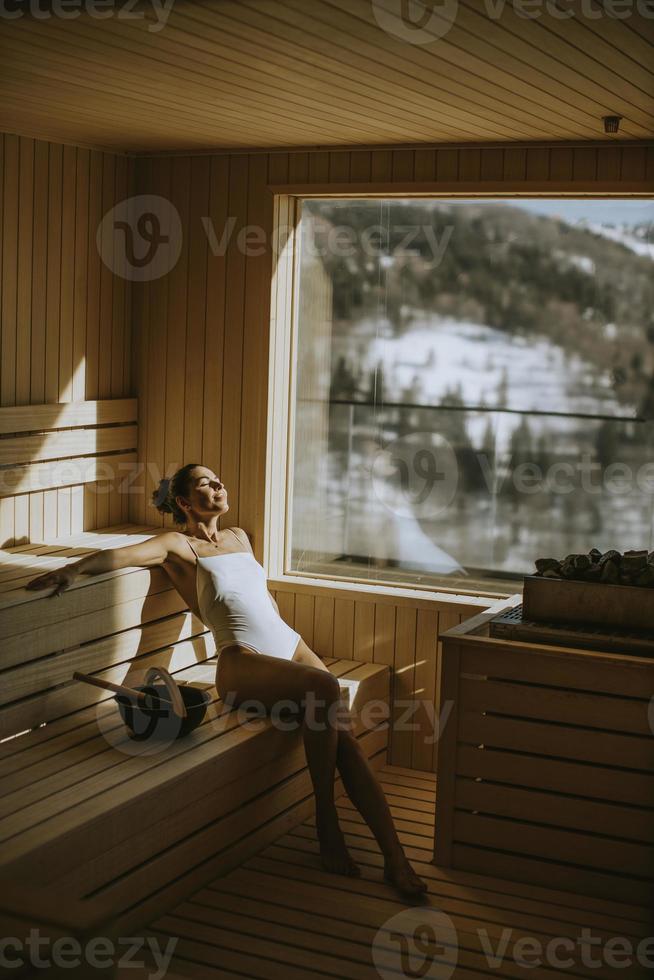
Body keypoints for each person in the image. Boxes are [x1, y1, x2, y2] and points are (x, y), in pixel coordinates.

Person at [26, 463, 428, 899]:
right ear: (183, 502)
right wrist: (73, 571)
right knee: (327, 690)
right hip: (242, 660)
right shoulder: (178, 545)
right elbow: (120, 556)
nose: (219, 486)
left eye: (220, 480)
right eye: (206, 484)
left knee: (345, 739)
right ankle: (325, 819)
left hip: (289, 646)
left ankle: (395, 859)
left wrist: (291, 647)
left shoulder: (240, 537)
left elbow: (254, 599)